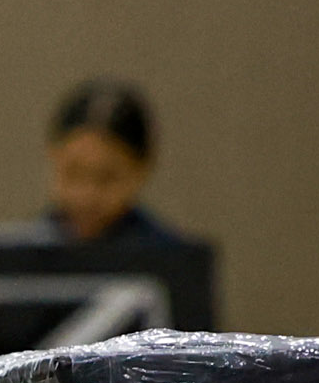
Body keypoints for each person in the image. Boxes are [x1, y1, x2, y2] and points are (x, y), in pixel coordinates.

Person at [38, 78, 206, 270]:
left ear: (141, 170)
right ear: (52, 156)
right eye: (73, 173)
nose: (86, 195)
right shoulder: (23, 256)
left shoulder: (174, 262)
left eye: (107, 178)